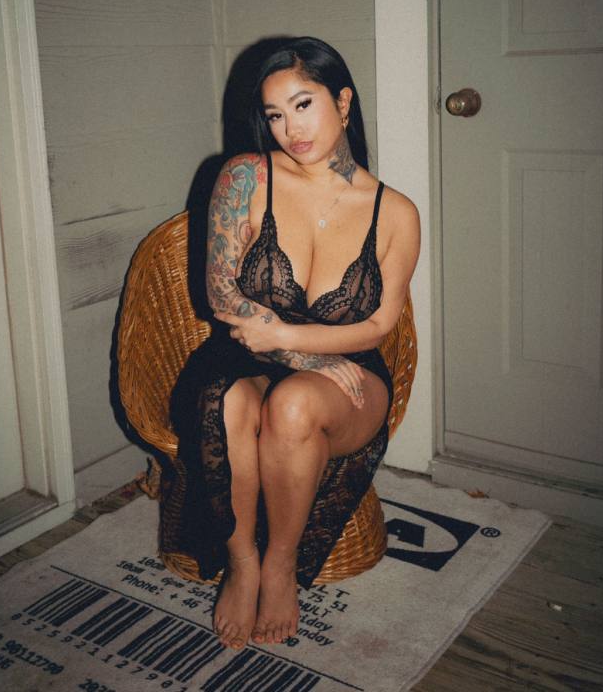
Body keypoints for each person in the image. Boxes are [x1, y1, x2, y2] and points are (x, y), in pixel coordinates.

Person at [169, 36, 420, 652]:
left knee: (295, 405)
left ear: (344, 101)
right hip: (244, 354)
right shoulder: (246, 177)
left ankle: (279, 564)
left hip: (348, 375)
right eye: (275, 114)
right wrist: (301, 352)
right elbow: (222, 296)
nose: (290, 128)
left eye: (303, 105)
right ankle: (242, 563)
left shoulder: (395, 212)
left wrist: (290, 339)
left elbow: (378, 325)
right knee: (227, 401)